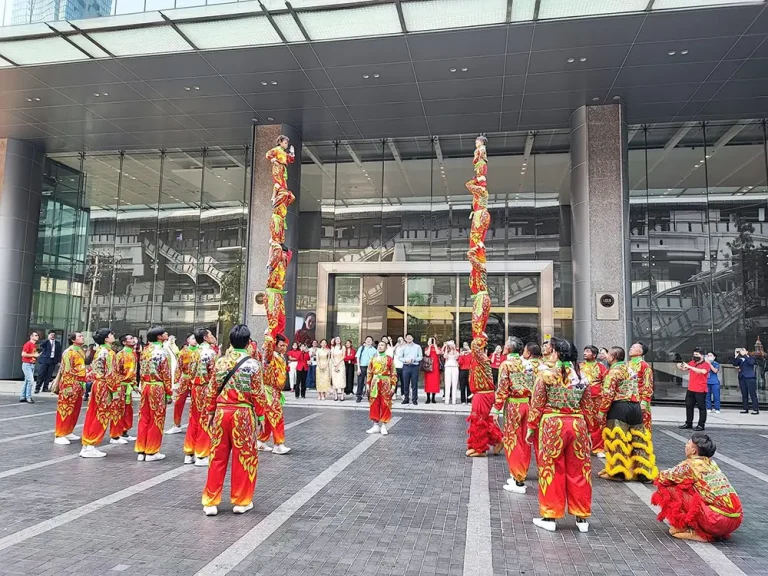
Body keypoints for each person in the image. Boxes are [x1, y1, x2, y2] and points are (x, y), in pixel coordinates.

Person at [526, 337, 595, 533]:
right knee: (580, 469)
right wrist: (589, 429)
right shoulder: (582, 377)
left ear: (556, 353)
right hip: (578, 424)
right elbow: (588, 407)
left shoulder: (546, 375)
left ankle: (550, 516)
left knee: (551, 469)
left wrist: (531, 427)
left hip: (553, 424)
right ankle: (582, 518)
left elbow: (537, 402)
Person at [202, 324, 267, 517]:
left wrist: (210, 412)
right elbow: (258, 393)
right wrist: (261, 415)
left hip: (222, 412)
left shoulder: (220, 362)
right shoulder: (253, 364)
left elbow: (212, 389)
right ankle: (241, 500)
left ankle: (211, 502)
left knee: (217, 457)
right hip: (243, 414)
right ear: (248, 343)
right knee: (244, 457)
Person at [651, 432, 743, 542]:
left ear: (694, 451)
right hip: (735, 520)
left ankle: (690, 529)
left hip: (716, 521)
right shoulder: (711, 463)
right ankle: (703, 529)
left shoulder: (690, 465)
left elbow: (663, 477)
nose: (685, 445)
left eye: (688, 443)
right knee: (689, 485)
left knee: (669, 487)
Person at [599, 346, 653, 481]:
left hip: (620, 407)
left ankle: (618, 472)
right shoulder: (630, 369)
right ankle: (644, 474)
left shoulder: (614, 371)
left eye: (609, 355)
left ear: (613, 357)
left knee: (617, 440)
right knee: (639, 440)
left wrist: (601, 411)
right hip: (635, 407)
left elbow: (608, 393)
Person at [494, 336, 532, 494]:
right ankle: (520, 474)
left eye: (505, 345)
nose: (503, 346)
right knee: (524, 439)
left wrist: (496, 408)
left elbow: (502, 388)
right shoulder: (527, 363)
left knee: (512, 440)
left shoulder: (506, 364)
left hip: (513, 405)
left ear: (509, 349)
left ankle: (518, 480)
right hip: (527, 404)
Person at [80, 328, 120, 458]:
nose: (113, 336)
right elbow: (111, 373)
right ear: (106, 338)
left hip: (97, 384)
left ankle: (87, 444)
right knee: (101, 414)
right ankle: (91, 445)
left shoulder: (99, 351)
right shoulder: (109, 352)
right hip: (104, 386)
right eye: (111, 334)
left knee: (92, 413)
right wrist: (115, 389)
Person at [136, 326, 173, 462]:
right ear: (159, 337)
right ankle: (152, 451)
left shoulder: (145, 351)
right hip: (157, 387)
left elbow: (141, 371)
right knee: (156, 418)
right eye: (164, 333)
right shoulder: (163, 352)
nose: (166, 334)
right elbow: (166, 374)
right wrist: (169, 393)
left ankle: (141, 450)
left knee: (144, 418)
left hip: (145, 386)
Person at [466, 335, 503, 457]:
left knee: (478, 420)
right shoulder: (478, 359)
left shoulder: (482, 358)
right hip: (481, 393)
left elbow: (475, 346)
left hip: (484, 394)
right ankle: (498, 440)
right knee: (482, 420)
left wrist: (480, 335)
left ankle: (480, 449)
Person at [188, 327, 218, 466]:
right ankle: (202, 454)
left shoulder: (194, 351)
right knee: (206, 419)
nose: (212, 336)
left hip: (195, 388)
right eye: (210, 334)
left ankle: (189, 453)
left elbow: (190, 372)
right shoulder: (210, 353)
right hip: (206, 388)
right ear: (205, 338)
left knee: (194, 418)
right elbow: (214, 375)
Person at [258, 333, 291, 454]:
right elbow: (267, 349)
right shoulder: (270, 356)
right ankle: (278, 443)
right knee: (277, 415)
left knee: (268, 416)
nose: (283, 348)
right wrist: (269, 334)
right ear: (274, 346)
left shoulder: (280, 356)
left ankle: (261, 441)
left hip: (276, 390)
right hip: (269, 390)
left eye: (285, 345)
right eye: (281, 345)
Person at [53, 332, 87, 445]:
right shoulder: (69, 352)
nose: (82, 337)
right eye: (80, 336)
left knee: (75, 409)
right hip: (70, 383)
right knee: (65, 408)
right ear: (73, 340)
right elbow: (66, 370)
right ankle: (59, 433)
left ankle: (68, 430)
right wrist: (68, 387)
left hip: (79, 383)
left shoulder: (80, 351)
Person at [167, 333, 199, 436]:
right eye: (192, 338)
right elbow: (179, 367)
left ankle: (197, 425)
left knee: (197, 404)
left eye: (196, 338)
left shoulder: (201, 352)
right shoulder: (183, 352)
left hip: (197, 380)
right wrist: (176, 382)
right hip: (185, 379)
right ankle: (176, 425)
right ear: (188, 340)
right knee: (179, 402)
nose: (195, 340)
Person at [109, 334, 137, 444]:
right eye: (130, 338)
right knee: (117, 410)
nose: (133, 339)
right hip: (121, 385)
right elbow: (115, 372)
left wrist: (133, 384)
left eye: (132, 338)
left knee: (127, 410)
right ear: (124, 342)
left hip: (128, 386)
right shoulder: (120, 355)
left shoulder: (133, 354)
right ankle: (114, 436)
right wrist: (117, 387)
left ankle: (124, 432)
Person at [365, 339, 397, 435]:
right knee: (374, 403)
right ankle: (375, 425)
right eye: (379, 345)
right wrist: (368, 384)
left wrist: (393, 386)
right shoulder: (373, 358)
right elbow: (369, 372)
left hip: (385, 382)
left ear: (386, 347)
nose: (380, 346)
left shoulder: (389, 359)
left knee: (385, 403)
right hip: (374, 383)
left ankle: (383, 425)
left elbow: (393, 373)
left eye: (382, 345)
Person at [581, 345, 607, 457]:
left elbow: (606, 383)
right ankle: (583, 447)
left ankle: (598, 448)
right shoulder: (579, 366)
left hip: (597, 400)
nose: (585, 353)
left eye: (587, 351)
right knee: (583, 423)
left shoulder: (601, 367)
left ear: (594, 355)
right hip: (582, 400)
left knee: (598, 423)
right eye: (584, 351)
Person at [678, 348, 711, 431]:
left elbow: (702, 372)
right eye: (694, 355)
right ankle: (689, 423)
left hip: (700, 389)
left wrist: (689, 367)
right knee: (689, 406)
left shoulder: (706, 364)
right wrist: (680, 365)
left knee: (701, 408)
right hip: (691, 389)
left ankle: (701, 425)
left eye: (697, 355)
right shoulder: (692, 363)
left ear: (702, 355)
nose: (695, 356)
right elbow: (684, 369)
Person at [629, 341, 654, 434]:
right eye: (631, 346)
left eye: (634, 347)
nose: (631, 348)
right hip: (628, 399)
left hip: (640, 400)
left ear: (640, 352)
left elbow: (648, 385)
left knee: (642, 425)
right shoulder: (627, 364)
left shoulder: (645, 366)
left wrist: (644, 402)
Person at [398, 333, 423, 405]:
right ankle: (406, 398)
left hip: (414, 366)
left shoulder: (417, 347)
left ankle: (414, 399)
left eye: (410, 337)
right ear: (405, 339)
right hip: (406, 366)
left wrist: (414, 359)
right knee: (406, 383)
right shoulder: (403, 347)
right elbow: (400, 357)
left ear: (413, 338)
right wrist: (405, 360)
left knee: (414, 384)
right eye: (407, 337)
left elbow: (420, 357)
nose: (409, 338)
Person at [733, 347, 759, 414]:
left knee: (752, 394)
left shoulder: (751, 357)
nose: (741, 352)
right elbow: (735, 364)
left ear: (747, 351)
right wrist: (736, 355)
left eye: (743, 350)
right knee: (744, 394)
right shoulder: (740, 359)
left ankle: (755, 409)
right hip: (742, 378)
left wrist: (744, 355)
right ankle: (745, 408)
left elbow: (751, 362)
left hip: (750, 377)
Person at [19, 331, 40, 403]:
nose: (37, 336)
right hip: (27, 364)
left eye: (37, 335)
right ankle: (28, 397)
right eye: (36, 335)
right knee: (31, 381)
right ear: (31, 336)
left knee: (27, 381)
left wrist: (35, 355)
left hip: (31, 364)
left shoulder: (34, 345)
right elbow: (23, 354)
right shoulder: (28, 344)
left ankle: (23, 396)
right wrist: (34, 355)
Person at [355, 336, 376, 403]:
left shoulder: (374, 349)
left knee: (370, 382)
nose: (369, 341)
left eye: (370, 340)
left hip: (371, 368)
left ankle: (370, 395)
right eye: (367, 340)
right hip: (362, 367)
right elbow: (358, 358)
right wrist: (358, 368)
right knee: (360, 382)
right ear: (365, 341)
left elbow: (376, 359)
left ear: (372, 341)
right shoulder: (361, 348)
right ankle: (359, 396)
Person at [423, 337, 441, 404]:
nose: (432, 341)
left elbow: (438, 353)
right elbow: (427, 354)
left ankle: (433, 398)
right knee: (428, 383)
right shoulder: (427, 348)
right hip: (428, 367)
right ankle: (428, 398)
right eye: (430, 340)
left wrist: (435, 345)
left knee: (435, 382)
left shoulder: (438, 348)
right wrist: (430, 346)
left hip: (435, 367)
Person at [442, 341, 460, 405]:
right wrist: (446, 347)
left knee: (454, 384)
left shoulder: (456, 352)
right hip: (448, 367)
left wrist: (454, 348)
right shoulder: (447, 352)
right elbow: (445, 356)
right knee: (447, 384)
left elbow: (456, 356)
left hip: (455, 367)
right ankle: (446, 400)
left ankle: (454, 400)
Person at [330, 336, 346, 401]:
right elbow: (332, 357)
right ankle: (336, 395)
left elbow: (344, 356)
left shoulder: (343, 347)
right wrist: (335, 363)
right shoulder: (333, 348)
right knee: (335, 379)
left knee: (341, 378)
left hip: (341, 363)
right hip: (334, 364)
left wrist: (338, 363)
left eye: (339, 339)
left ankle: (342, 395)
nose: (338, 340)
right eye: (336, 339)